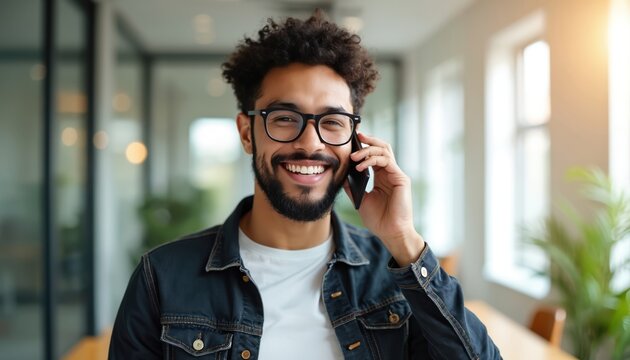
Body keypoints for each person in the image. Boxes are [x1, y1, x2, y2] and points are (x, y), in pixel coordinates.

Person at [109, 10, 501, 360]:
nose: (310, 143)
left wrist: (402, 239)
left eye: (332, 122)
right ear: (248, 133)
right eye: (284, 118)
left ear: (355, 141)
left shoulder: (394, 277)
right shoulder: (161, 278)